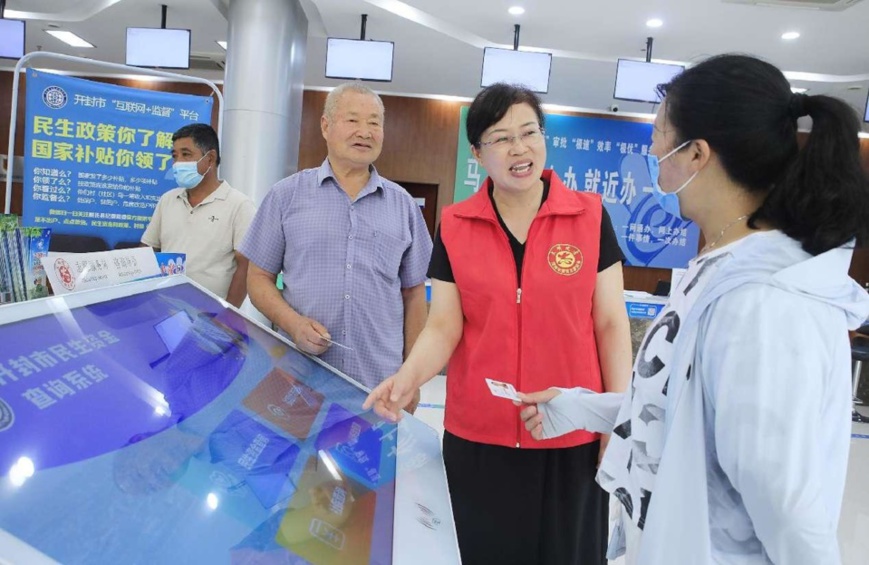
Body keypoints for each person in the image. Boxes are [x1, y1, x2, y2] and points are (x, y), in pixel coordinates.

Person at [518, 54, 869, 565]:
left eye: (661, 132)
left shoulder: (766, 304)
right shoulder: (720, 267)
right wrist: (576, 406)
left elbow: (786, 506)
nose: (654, 147)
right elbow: (682, 413)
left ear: (698, 153)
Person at [364, 83, 632, 564]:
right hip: (480, 438)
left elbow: (611, 323)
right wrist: (405, 379)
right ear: (478, 153)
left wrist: (618, 419)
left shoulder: (589, 216)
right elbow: (444, 325)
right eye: (502, 138)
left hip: (570, 432)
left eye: (529, 132)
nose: (519, 148)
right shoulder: (456, 224)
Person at [241, 82, 432, 411]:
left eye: (374, 122)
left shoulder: (403, 206)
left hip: (379, 386)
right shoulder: (286, 196)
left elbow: (414, 293)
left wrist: (411, 376)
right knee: (296, 463)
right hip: (296, 378)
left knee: (367, 464)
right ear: (326, 126)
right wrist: (293, 323)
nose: (365, 131)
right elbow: (257, 277)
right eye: (353, 120)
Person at [142, 123, 255, 308]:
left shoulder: (239, 205)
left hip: (210, 314)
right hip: (164, 306)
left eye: (186, 154)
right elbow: (147, 248)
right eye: (174, 156)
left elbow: (246, 266)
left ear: (210, 158)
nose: (178, 163)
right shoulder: (167, 200)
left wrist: (228, 315)